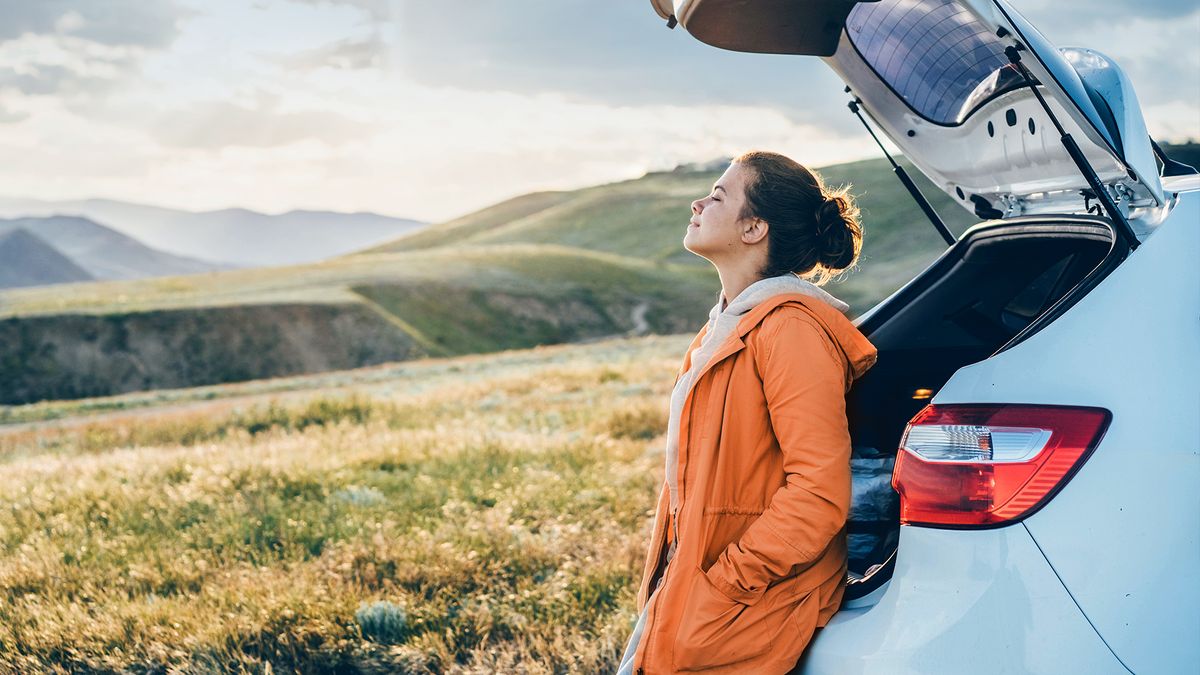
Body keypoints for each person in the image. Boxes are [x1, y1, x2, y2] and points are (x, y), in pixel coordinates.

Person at [616, 151, 879, 674]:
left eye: (717, 196)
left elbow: (819, 494)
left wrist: (728, 582)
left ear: (754, 228)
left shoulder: (791, 330)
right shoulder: (725, 328)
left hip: (741, 605)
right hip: (695, 591)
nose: (697, 203)